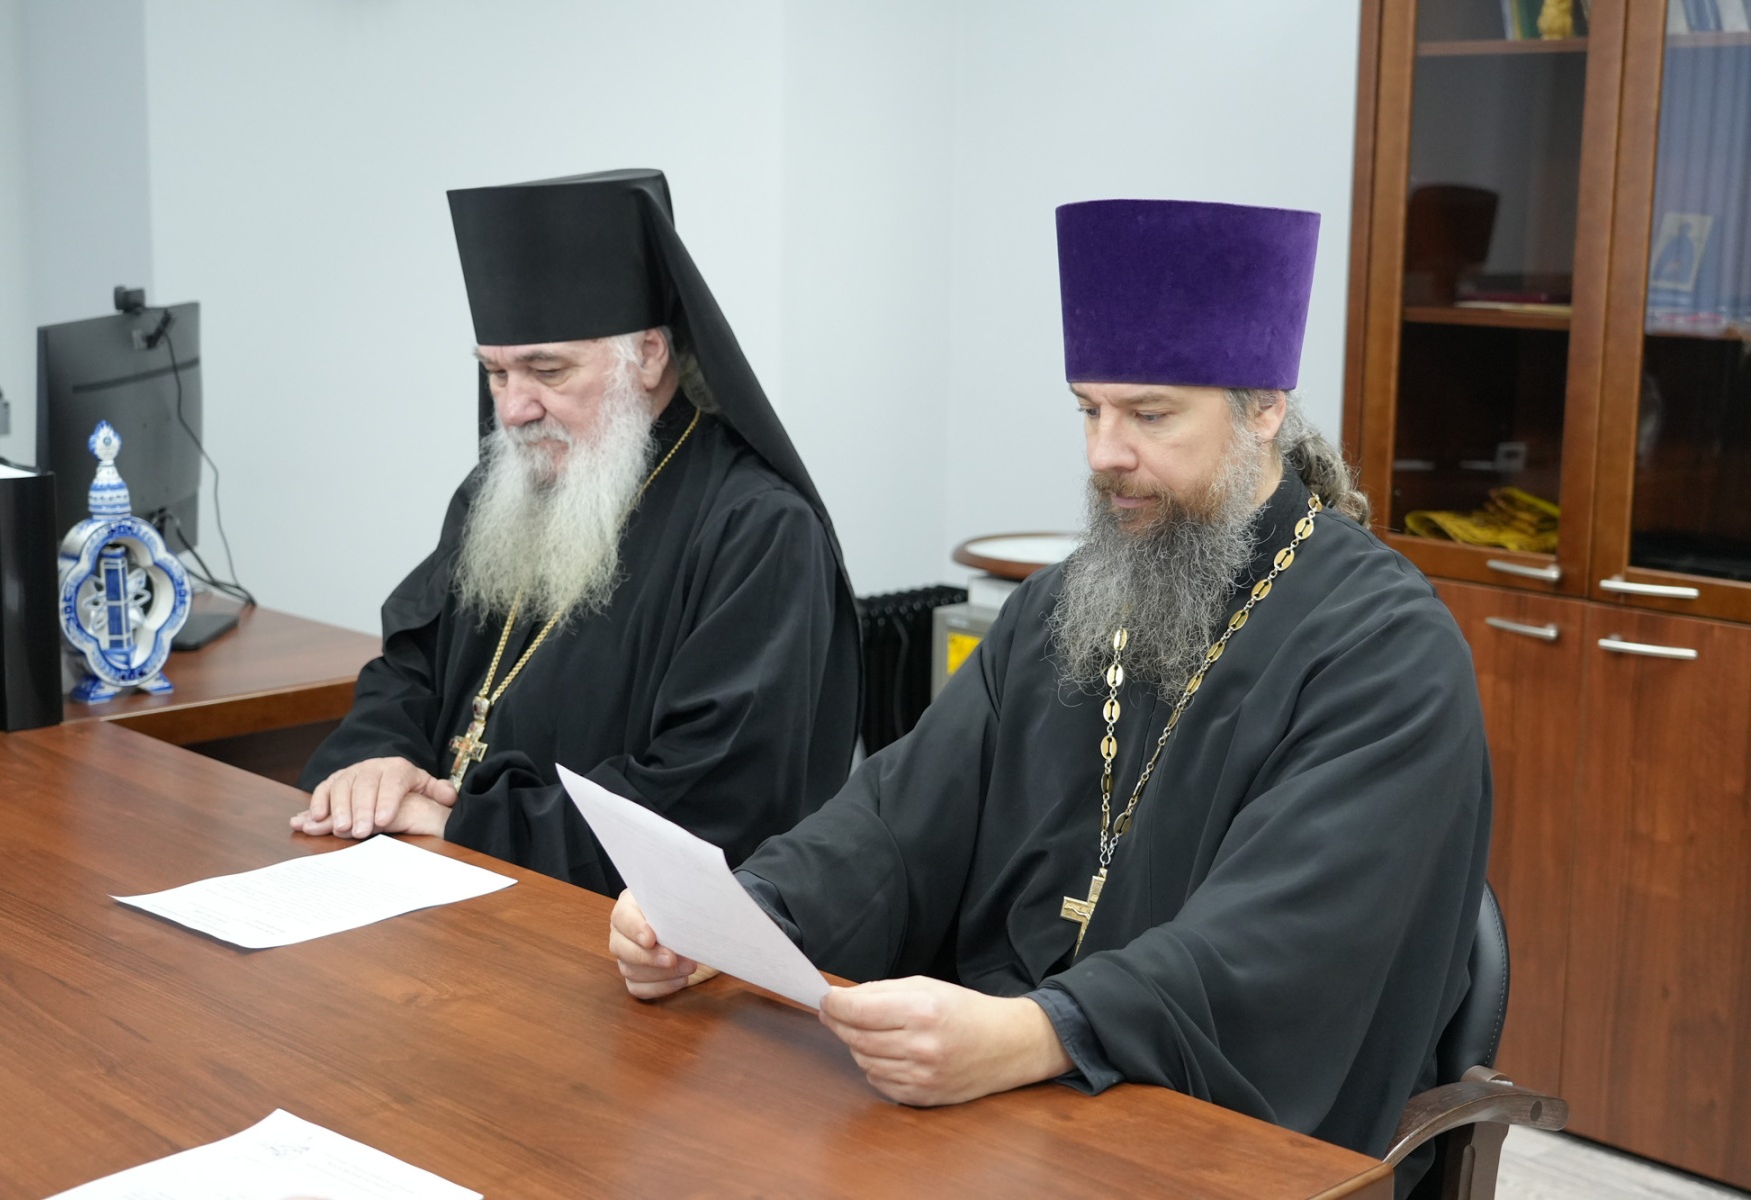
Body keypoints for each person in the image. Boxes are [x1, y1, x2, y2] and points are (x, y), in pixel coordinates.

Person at [610, 198, 1491, 1187]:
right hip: (1000, 1110)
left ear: (1264, 410)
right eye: (1088, 410)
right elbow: (898, 818)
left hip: (1207, 1142)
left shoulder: (1386, 651)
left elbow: (1287, 947)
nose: (1104, 452)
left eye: (1149, 414)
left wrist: (1043, 1030)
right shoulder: (1065, 604)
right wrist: (743, 915)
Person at [293, 169, 862, 893]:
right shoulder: (503, 489)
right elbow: (412, 667)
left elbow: (714, 797)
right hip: (443, 884)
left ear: (649, 355)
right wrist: (379, 762)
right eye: (496, 374)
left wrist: (465, 824)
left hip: (618, 931)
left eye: (547, 370)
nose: (514, 410)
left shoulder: (759, 531)